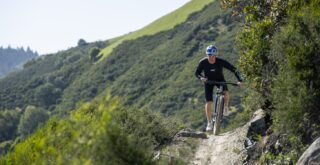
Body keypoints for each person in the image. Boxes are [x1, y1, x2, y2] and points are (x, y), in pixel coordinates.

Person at [195, 45, 242, 131]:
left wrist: (240, 80)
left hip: (220, 80)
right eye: (209, 55)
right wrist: (201, 78)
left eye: (213, 55)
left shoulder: (221, 61)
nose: (211, 57)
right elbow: (197, 73)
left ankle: (226, 107)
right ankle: (209, 122)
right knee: (208, 102)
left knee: (226, 94)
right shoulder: (203, 62)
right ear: (207, 55)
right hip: (208, 82)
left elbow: (234, 69)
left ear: (216, 55)